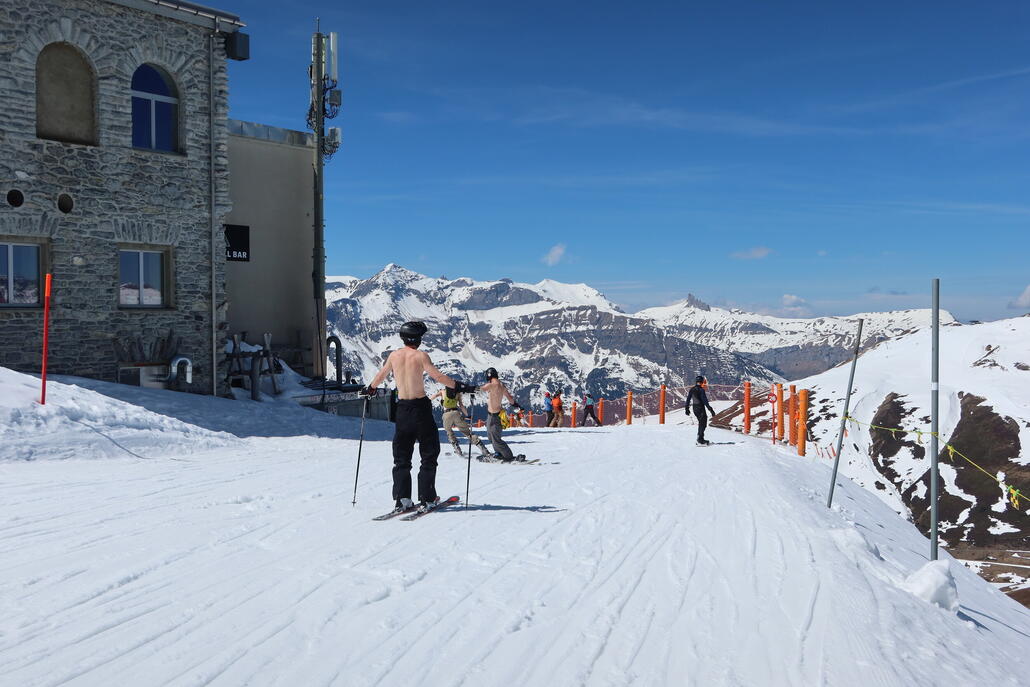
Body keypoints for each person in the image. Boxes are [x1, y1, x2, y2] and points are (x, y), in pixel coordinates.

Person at [363, 321, 476, 514]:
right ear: (418, 339)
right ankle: (427, 498)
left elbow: (381, 375)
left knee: (401, 456)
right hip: (420, 409)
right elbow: (438, 377)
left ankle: (402, 499)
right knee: (429, 453)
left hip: (402, 409)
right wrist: (459, 386)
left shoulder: (394, 355)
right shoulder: (420, 356)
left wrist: (370, 389)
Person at [430, 385, 490, 459]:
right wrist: (467, 415)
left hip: (446, 414)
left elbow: (434, 396)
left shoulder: (443, 391)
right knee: (467, 432)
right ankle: (483, 449)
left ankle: (457, 449)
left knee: (449, 432)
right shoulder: (457, 393)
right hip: (456, 413)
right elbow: (461, 405)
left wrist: (426, 402)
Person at [479, 367, 524, 462]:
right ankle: (499, 453)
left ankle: (509, 456)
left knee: (496, 439)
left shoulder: (491, 385)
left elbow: (481, 389)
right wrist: (516, 405)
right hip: (494, 415)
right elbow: (509, 397)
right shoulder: (501, 385)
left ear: (488, 375)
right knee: (491, 437)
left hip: (494, 416)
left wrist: (469, 389)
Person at [686, 375, 717, 445]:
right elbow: (705, 401)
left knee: (701, 422)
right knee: (703, 423)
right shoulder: (701, 390)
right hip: (700, 408)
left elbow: (688, 399)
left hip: (695, 408)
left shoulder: (692, 389)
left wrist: (687, 409)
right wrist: (711, 410)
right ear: (702, 382)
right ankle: (700, 439)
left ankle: (700, 438)